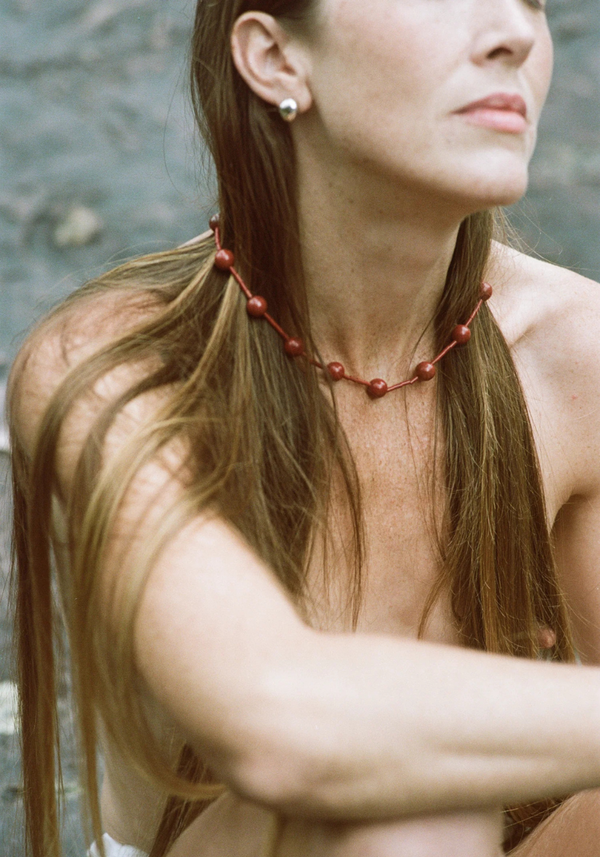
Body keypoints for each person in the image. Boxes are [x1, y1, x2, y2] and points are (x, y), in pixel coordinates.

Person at [9, 0, 600, 856]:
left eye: (533, 0)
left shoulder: (577, 352)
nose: (514, 32)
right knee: (407, 808)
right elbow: (277, 722)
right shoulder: (119, 368)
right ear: (275, 58)